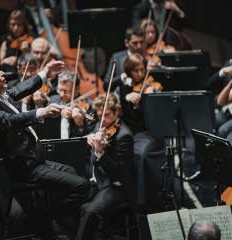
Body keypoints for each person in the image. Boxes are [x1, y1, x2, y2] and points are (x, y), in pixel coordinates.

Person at [0, 59, 91, 238]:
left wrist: (45, 73)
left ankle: (40, 219)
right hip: (23, 167)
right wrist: (42, 112)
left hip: (32, 158)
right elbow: (9, 121)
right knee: (83, 187)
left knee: (71, 171)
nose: (2, 73)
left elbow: (19, 89)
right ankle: (38, 221)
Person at [75, 92, 136, 239]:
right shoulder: (101, 123)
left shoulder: (124, 136)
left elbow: (118, 171)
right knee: (66, 200)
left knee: (91, 212)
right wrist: (87, 136)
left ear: (117, 112)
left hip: (116, 185)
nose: (103, 120)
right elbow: (88, 133)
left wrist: (101, 152)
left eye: (107, 115)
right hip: (96, 180)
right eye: (100, 114)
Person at [114, 53, 166, 214]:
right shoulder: (122, 89)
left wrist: (151, 97)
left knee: (142, 154)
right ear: (129, 72)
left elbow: (159, 115)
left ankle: (147, 198)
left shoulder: (151, 87)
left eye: (142, 70)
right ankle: (131, 194)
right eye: (136, 70)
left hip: (150, 132)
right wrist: (125, 99)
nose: (141, 74)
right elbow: (115, 109)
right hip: (131, 132)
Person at [48, 70, 96, 139]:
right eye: (59, 90)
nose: (61, 95)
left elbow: (91, 134)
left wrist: (80, 125)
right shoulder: (53, 100)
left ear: (77, 89)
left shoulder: (89, 105)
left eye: (67, 91)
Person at [103, 25, 146, 90]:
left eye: (141, 42)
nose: (139, 46)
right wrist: (121, 77)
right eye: (135, 43)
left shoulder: (147, 59)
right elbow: (106, 85)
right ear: (126, 43)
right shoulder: (116, 58)